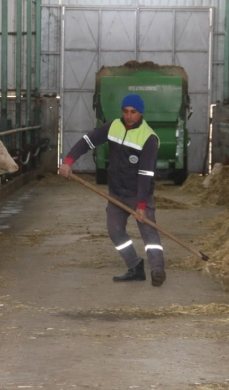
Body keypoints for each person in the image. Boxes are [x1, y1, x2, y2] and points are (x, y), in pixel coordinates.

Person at [58, 93, 166, 287]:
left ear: (140, 113)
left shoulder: (149, 138)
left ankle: (157, 269)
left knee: (149, 232)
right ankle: (135, 266)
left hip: (137, 193)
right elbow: (87, 141)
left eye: (133, 112)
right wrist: (68, 161)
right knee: (115, 231)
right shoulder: (113, 126)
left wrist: (141, 204)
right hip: (116, 192)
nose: (129, 116)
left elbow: (145, 173)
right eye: (125, 111)